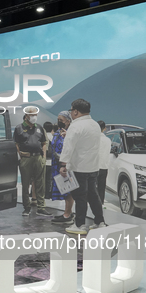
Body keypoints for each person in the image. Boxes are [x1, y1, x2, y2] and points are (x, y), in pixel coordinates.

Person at [59, 99, 106, 234]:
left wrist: (63, 164)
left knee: (80, 197)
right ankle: (99, 221)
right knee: (93, 195)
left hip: (78, 167)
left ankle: (80, 225)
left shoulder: (75, 125)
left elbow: (68, 147)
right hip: (93, 166)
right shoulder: (94, 124)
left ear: (75, 111)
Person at [14, 106, 51, 217]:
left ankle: (41, 207)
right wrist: (20, 154)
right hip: (26, 159)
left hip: (38, 158)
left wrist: (44, 156)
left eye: (35, 115)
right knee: (26, 184)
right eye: (32, 115)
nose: (34, 117)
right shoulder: (19, 128)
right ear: (26, 116)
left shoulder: (39, 127)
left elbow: (44, 142)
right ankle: (27, 207)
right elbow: (16, 144)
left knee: (40, 183)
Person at [50, 111, 75, 225]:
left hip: (65, 165)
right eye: (58, 120)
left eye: (62, 120)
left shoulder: (71, 133)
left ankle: (67, 215)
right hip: (56, 165)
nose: (59, 122)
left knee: (68, 190)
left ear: (68, 121)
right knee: (64, 190)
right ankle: (67, 212)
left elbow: (69, 150)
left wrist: (64, 165)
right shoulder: (57, 132)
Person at [97, 120, 112, 204]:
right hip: (104, 166)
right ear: (105, 129)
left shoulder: (93, 139)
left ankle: (92, 203)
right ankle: (101, 203)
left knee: (92, 187)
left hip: (93, 167)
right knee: (101, 187)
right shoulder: (108, 140)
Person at [43, 121, 54, 200]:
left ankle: (40, 194)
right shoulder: (53, 137)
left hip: (43, 161)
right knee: (48, 180)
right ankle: (47, 194)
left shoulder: (43, 137)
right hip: (51, 162)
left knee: (41, 179)